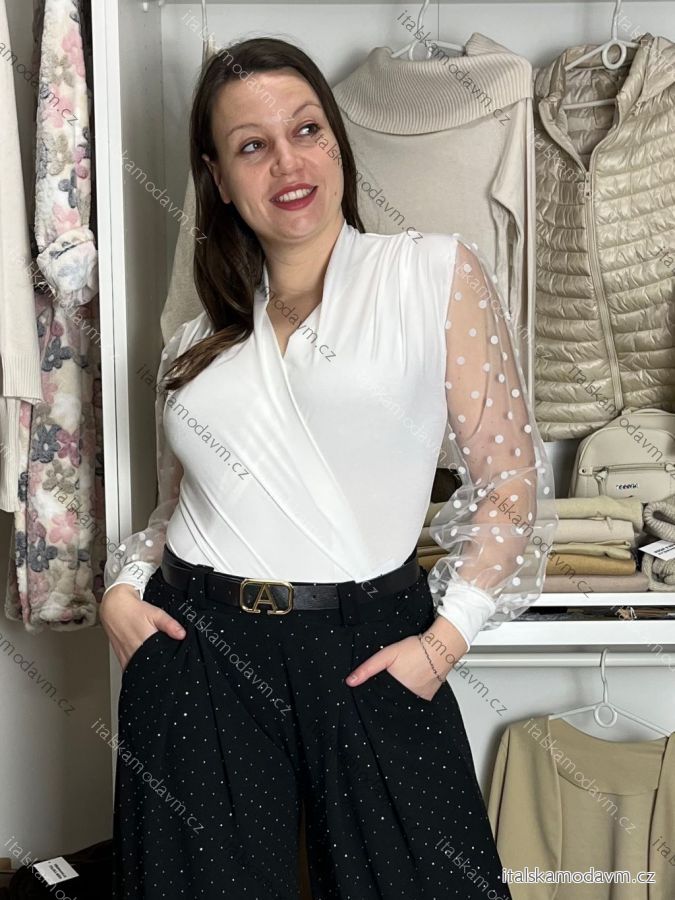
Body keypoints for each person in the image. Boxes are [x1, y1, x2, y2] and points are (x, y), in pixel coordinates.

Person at [100, 36, 556, 900]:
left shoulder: (429, 273)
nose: (288, 162)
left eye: (305, 129)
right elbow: (177, 510)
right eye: (252, 145)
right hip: (198, 651)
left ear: (337, 141)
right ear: (218, 177)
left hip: (369, 643)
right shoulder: (194, 343)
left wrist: (445, 639)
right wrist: (122, 586)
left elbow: (508, 480)